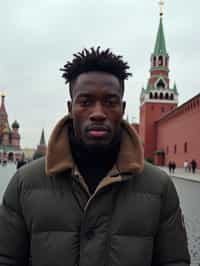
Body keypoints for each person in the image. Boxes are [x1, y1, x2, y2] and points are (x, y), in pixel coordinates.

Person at [0, 47, 190, 266]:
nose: (98, 113)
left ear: (122, 108)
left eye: (110, 102)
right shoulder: (25, 183)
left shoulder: (159, 187)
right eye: (86, 102)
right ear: (71, 108)